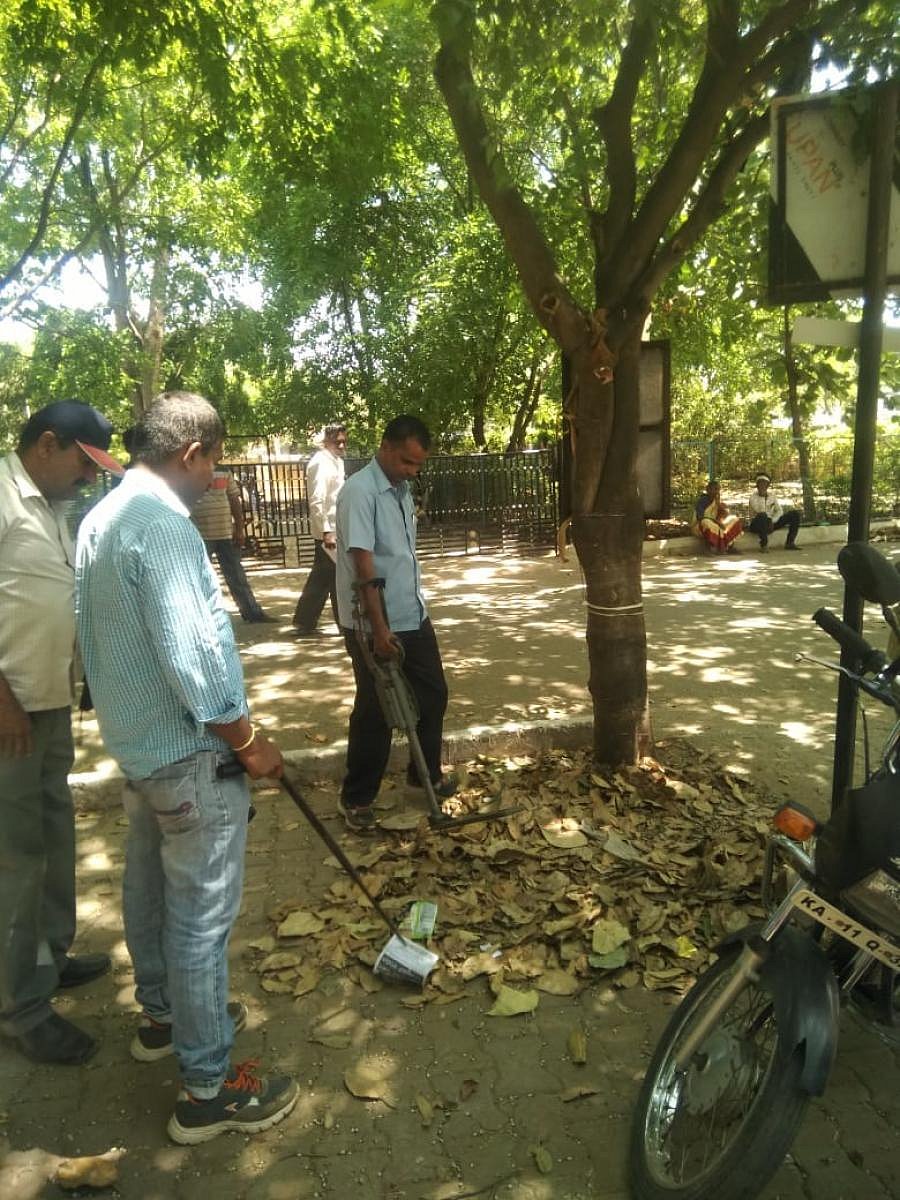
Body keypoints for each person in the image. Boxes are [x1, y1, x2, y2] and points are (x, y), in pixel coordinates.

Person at [75, 391, 298, 1144]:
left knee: (147, 888)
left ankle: (163, 1017)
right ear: (193, 453)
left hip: (139, 751)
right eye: (216, 462)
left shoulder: (102, 517)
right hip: (189, 756)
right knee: (201, 920)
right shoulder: (164, 526)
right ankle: (209, 1089)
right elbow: (197, 660)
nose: (216, 478)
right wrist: (248, 743)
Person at [0, 400, 120, 1065]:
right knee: (16, 858)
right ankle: (20, 1007)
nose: (86, 477)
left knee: (53, 837)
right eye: (83, 462)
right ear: (49, 444)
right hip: (9, 712)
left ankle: (50, 955)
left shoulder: (50, 507)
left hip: (47, 704)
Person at [334, 415, 453, 832]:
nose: (412, 471)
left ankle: (424, 776)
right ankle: (357, 797)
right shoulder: (359, 492)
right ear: (385, 446)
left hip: (411, 612)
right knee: (375, 710)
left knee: (433, 695)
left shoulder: (401, 491)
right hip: (373, 622)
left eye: (418, 465)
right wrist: (379, 629)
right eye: (406, 462)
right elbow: (363, 564)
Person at [191, 467, 274, 622]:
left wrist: (239, 529)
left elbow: (234, 499)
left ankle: (252, 613)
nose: (220, 450)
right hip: (200, 534)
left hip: (225, 533)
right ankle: (202, 617)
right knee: (199, 577)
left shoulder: (225, 471)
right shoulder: (190, 470)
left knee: (236, 575)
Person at [292, 424, 347, 637]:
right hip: (328, 532)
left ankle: (306, 621)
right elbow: (317, 500)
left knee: (327, 577)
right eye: (337, 441)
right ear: (325, 442)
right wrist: (326, 532)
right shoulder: (320, 463)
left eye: (344, 441)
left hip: (336, 528)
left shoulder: (336, 462)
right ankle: (339, 623)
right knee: (331, 577)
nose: (341, 445)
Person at [748, 474, 801, 551]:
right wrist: (763, 497)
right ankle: (764, 545)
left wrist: (773, 520)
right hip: (758, 524)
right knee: (762, 515)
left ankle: (790, 542)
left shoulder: (772, 496)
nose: (762, 486)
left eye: (765, 484)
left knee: (794, 514)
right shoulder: (753, 497)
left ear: (767, 485)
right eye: (760, 484)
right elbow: (760, 511)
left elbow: (779, 510)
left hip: (771, 523)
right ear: (757, 485)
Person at [692, 480, 743, 554]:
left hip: (716, 525)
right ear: (708, 490)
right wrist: (718, 523)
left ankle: (729, 546)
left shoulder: (716, 501)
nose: (717, 492)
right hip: (700, 526)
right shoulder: (702, 501)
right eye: (715, 489)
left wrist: (720, 505)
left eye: (718, 490)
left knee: (734, 519)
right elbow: (701, 518)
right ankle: (708, 548)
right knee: (706, 523)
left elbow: (723, 516)